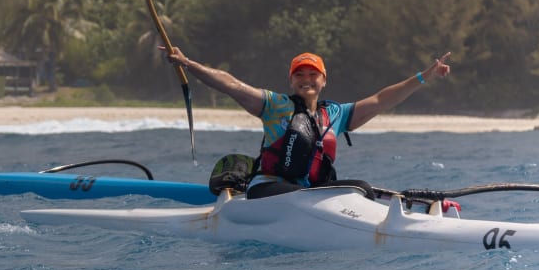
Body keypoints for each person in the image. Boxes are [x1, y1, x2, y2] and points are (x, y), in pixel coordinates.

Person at [163, 47, 451, 199]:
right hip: (268, 189)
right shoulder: (275, 106)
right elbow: (232, 85)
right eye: (299, 75)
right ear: (291, 80)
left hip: (309, 195)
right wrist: (188, 64)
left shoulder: (336, 115)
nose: (306, 79)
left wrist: (424, 77)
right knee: (315, 195)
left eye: (313, 74)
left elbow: (381, 99)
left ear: (324, 81)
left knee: (361, 187)